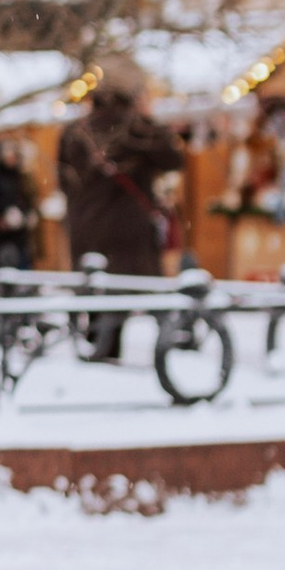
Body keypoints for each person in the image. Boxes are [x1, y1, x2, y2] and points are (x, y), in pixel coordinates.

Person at [61, 58, 185, 355]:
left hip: (85, 224)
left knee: (97, 286)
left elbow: (64, 179)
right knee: (142, 287)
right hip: (128, 226)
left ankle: (99, 346)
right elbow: (174, 158)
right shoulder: (138, 128)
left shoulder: (75, 131)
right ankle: (169, 347)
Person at [0, 145, 40, 273]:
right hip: (1, 234)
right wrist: (3, 215)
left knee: (21, 263)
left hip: (20, 232)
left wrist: (27, 214)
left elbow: (28, 199)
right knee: (2, 264)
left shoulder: (21, 177)